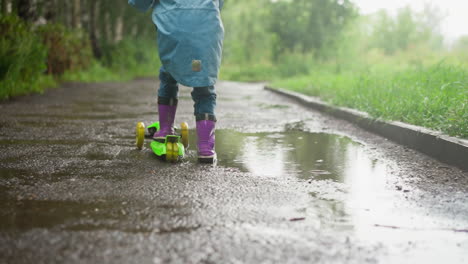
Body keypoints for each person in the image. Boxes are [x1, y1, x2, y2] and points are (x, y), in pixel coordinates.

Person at [128, 0, 224, 163]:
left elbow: (139, 3)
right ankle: (206, 148)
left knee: (169, 75)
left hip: (174, 28)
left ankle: (165, 129)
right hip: (207, 28)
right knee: (205, 87)